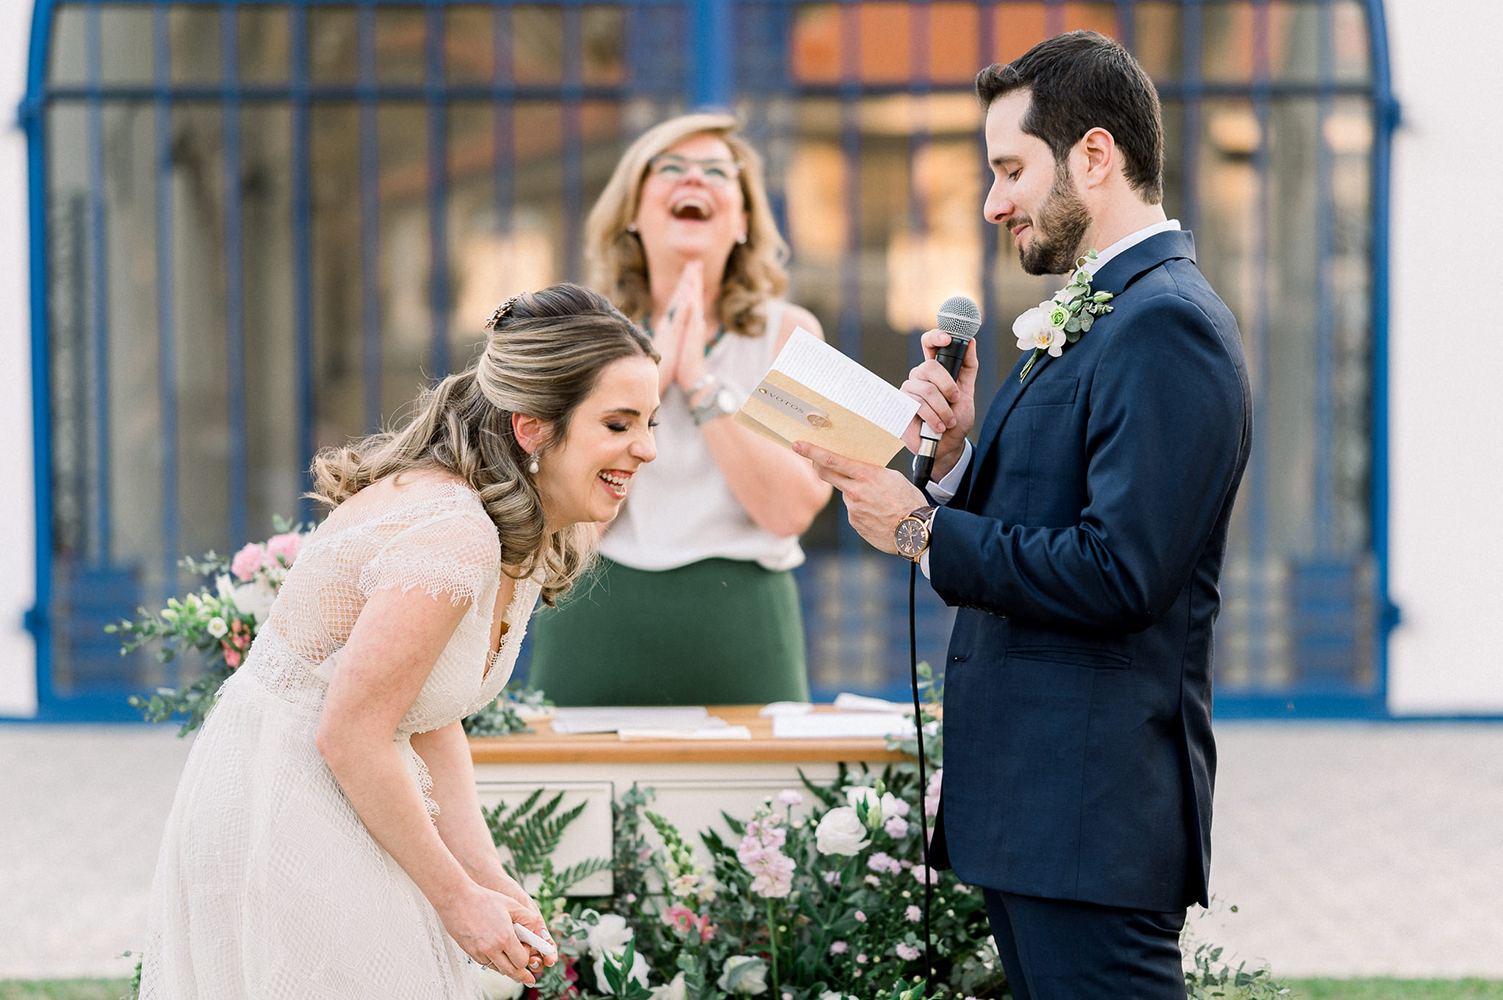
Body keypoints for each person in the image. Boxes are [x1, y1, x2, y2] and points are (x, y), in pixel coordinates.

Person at [795, 32, 1252, 999]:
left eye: (1010, 169)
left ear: (1094, 155)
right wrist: (957, 462)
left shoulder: (1164, 323)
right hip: (1041, 819)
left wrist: (921, 530)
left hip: (1089, 817)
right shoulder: (1101, 313)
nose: (993, 202)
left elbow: (1120, 572)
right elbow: (1063, 513)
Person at [140, 284, 660, 998]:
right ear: (533, 427)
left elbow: (428, 713)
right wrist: (456, 901)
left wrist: (487, 877)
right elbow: (351, 733)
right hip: (284, 796)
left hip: (348, 784)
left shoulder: (525, 529)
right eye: (619, 423)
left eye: (651, 423)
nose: (648, 449)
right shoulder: (453, 530)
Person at [527, 114, 831, 706]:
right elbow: (559, 510)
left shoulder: (792, 334)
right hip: (596, 620)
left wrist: (701, 381)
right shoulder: (575, 335)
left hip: (746, 630)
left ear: (742, 219)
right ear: (634, 213)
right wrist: (655, 375)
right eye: (671, 170)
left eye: (718, 173)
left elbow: (792, 509)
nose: (694, 180)